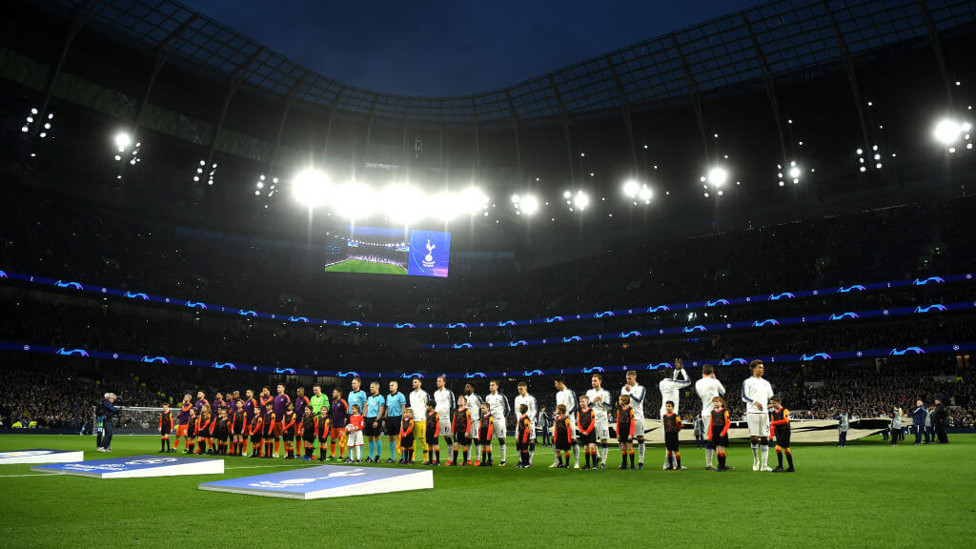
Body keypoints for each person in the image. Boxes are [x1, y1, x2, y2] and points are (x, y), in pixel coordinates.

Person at [659, 359, 692, 469]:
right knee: (672, 439)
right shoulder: (673, 384)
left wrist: (676, 371)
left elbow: (672, 380)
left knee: (668, 439)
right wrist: (681, 369)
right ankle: (669, 464)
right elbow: (688, 381)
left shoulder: (662, 383)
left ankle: (669, 463)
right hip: (671, 413)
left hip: (664, 412)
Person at [742, 360, 774, 472]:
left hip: (764, 413)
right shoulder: (748, 382)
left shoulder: (766, 383)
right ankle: (756, 460)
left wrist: (774, 404)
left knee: (765, 438)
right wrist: (755, 402)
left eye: (763, 367)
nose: (762, 369)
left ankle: (764, 465)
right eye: (760, 367)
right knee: (754, 438)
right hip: (752, 413)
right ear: (753, 369)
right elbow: (744, 397)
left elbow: (772, 397)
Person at [695, 364, 725, 469]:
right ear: (712, 372)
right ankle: (710, 464)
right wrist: (715, 379)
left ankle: (719, 463)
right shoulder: (715, 381)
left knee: (712, 437)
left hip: (705, 412)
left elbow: (701, 395)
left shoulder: (698, 383)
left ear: (703, 372)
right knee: (715, 438)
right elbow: (723, 392)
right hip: (715, 413)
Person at [620, 371, 646, 469]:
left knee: (640, 439)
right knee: (624, 441)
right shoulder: (623, 389)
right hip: (626, 419)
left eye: (629, 378)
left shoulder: (641, 388)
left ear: (635, 378)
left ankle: (640, 462)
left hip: (638, 417)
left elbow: (638, 400)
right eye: (627, 378)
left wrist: (630, 392)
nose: (628, 380)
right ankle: (625, 462)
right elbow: (622, 403)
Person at [585, 374, 611, 469]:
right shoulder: (589, 392)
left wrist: (602, 402)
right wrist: (593, 401)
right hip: (592, 420)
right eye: (592, 381)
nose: (593, 382)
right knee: (591, 440)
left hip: (602, 420)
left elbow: (609, 407)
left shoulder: (605, 393)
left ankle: (603, 462)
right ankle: (598, 456)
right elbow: (586, 406)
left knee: (604, 440)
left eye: (595, 380)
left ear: (600, 381)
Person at [553, 377, 579, 468]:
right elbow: (558, 407)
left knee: (573, 440)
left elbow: (575, 405)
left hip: (569, 420)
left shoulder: (570, 392)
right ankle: (557, 461)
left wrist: (567, 414)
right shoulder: (558, 394)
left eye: (556, 383)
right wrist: (556, 415)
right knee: (555, 440)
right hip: (559, 421)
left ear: (560, 383)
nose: (555, 385)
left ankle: (576, 462)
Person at [485, 380, 511, 466]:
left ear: (497, 386)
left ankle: (503, 460)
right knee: (488, 440)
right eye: (490, 385)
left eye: (493, 385)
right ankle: (490, 459)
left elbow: (507, 409)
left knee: (501, 440)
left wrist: (503, 417)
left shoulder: (501, 396)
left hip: (499, 420)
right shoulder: (487, 397)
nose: (491, 387)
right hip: (490, 421)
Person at [514, 382, 538, 464]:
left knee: (531, 441)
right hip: (520, 423)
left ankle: (529, 460)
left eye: (521, 389)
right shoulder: (517, 399)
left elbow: (534, 410)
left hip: (529, 423)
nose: (519, 391)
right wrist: (518, 420)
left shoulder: (531, 398)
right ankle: (521, 460)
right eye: (518, 389)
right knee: (518, 441)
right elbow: (517, 411)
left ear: (526, 388)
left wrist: (530, 420)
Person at [433, 376, 455, 462]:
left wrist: (452, 419)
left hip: (446, 418)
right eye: (437, 381)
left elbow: (453, 406)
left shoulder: (449, 392)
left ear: (444, 382)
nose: (438, 382)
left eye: (439, 381)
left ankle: (450, 458)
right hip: (437, 418)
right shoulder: (435, 393)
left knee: (447, 438)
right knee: (435, 437)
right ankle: (435, 459)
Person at [769, 395, 794, 472]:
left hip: (785, 431)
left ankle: (780, 467)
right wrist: (771, 436)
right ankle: (791, 467)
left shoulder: (785, 410)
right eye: (772, 404)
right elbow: (772, 425)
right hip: (778, 431)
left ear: (779, 402)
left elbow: (786, 420)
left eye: (774, 403)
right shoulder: (773, 413)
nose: (773, 405)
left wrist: (775, 422)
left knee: (778, 448)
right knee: (786, 449)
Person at [409, 378, 430, 465]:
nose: (413, 383)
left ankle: (426, 459)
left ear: (420, 384)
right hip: (413, 420)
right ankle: (412, 458)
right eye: (413, 382)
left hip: (421, 419)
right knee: (412, 440)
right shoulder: (411, 394)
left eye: (415, 382)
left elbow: (429, 406)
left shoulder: (424, 394)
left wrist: (427, 417)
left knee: (423, 439)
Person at [364, 382, 386, 463]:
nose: (370, 388)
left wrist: (377, 420)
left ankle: (378, 456)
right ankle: (370, 456)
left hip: (376, 418)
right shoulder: (369, 398)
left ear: (377, 388)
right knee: (369, 438)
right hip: (369, 419)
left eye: (372, 387)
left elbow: (381, 410)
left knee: (377, 437)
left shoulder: (381, 398)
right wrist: (364, 418)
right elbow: (366, 409)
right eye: (370, 387)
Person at [708, 396, 731, 472]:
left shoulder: (725, 411)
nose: (715, 403)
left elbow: (728, 424)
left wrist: (722, 433)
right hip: (715, 432)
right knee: (717, 449)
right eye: (714, 402)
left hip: (722, 431)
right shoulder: (712, 412)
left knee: (721, 448)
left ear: (721, 403)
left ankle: (722, 466)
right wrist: (710, 435)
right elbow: (711, 424)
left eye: (717, 401)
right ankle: (720, 465)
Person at [385, 381, 406, 463]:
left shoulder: (400, 395)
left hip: (398, 418)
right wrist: (385, 418)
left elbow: (403, 407)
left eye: (392, 385)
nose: (390, 386)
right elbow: (387, 407)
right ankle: (392, 457)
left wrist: (403, 418)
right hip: (390, 418)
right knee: (391, 437)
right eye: (390, 385)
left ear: (396, 386)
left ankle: (403, 457)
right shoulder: (388, 396)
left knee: (399, 437)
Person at [347, 379, 367, 460]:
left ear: (359, 384)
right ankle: (350, 457)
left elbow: (365, 405)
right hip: (351, 416)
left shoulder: (362, 393)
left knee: (359, 439)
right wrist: (346, 415)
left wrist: (364, 416)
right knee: (350, 438)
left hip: (359, 417)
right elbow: (348, 405)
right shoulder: (350, 393)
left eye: (354, 383)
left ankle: (359, 457)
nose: (352, 384)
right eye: (352, 383)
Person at [463, 384, 484, 463]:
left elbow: (483, 407)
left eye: (467, 387)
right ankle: (468, 459)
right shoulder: (465, 398)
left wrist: (481, 418)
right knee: (468, 440)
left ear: (472, 388)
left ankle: (478, 459)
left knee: (476, 440)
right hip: (467, 423)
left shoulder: (476, 397)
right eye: (465, 387)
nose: (466, 388)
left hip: (475, 421)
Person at [576, 395, 597, 470]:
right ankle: (587, 465)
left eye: (582, 401)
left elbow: (593, 422)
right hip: (583, 431)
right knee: (586, 448)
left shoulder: (591, 411)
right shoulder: (579, 411)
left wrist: (587, 431)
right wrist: (582, 431)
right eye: (580, 402)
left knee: (592, 446)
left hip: (590, 431)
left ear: (587, 402)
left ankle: (594, 465)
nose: (581, 403)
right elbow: (578, 422)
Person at [450, 395, 472, 466]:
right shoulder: (455, 412)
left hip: (463, 431)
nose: (459, 401)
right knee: (455, 444)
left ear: (465, 403)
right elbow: (453, 422)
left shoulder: (467, 411)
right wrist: (452, 431)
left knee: (463, 446)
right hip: (456, 431)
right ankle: (454, 461)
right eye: (459, 400)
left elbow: (469, 422)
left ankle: (465, 461)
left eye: (461, 400)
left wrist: (467, 431)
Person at [615, 395, 635, 470]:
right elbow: (617, 422)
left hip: (628, 429)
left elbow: (632, 422)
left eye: (620, 400)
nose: (619, 401)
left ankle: (632, 465)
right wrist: (617, 433)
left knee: (630, 447)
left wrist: (631, 433)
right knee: (623, 447)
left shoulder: (630, 410)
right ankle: (624, 464)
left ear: (625, 400)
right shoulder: (619, 410)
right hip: (621, 430)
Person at [662, 401, 683, 471]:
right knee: (669, 450)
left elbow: (680, 424)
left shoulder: (675, 416)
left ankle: (679, 466)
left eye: (669, 406)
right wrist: (665, 435)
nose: (668, 408)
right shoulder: (664, 416)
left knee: (676, 450)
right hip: (667, 435)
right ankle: (670, 466)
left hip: (674, 435)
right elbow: (665, 426)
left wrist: (676, 431)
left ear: (673, 407)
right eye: (666, 406)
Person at [271, 384, 291, 458]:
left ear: (283, 389)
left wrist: (285, 418)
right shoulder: (276, 398)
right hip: (276, 419)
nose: (278, 388)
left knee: (284, 437)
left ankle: (286, 452)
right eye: (277, 387)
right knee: (276, 436)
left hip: (283, 420)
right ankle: (276, 452)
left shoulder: (286, 397)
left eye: (279, 387)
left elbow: (289, 407)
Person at [330, 388, 349, 460]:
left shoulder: (343, 402)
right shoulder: (333, 402)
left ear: (339, 394)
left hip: (341, 425)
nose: (333, 394)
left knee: (341, 441)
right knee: (332, 439)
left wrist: (346, 418)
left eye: (334, 392)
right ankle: (332, 455)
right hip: (334, 425)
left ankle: (341, 456)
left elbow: (347, 410)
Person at [553, 404, 574, 468]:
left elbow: (569, 429)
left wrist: (569, 438)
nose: (556, 410)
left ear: (561, 411)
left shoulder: (566, 419)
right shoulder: (556, 418)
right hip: (559, 436)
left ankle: (567, 464)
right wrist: (555, 437)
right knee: (557, 450)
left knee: (566, 450)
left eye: (557, 409)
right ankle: (561, 463)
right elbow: (556, 429)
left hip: (565, 436)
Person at [516, 404, 533, 468]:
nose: (519, 409)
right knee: (521, 449)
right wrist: (518, 436)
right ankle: (523, 462)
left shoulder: (526, 418)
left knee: (525, 449)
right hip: (521, 436)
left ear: (522, 409)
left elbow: (527, 429)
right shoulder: (521, 417)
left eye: (520, 408)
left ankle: (527, 463)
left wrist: (525, 438)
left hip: (524, 436)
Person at [293, 387, 310, 453]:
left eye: (299, 391)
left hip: (303, 421)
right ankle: (298, 453)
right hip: (297, 420)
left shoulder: (305, 399)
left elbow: (309, 409)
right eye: (297, 391)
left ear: (303, 392)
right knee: (297, 437)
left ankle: (306, 453)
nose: (297, 393)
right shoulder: (297, 400)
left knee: (304, 438)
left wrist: (307, 419)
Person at [424, 400, 440, 465]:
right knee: (429, 445)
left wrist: (436, 433)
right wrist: (425, 433)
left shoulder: (436, 414)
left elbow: (438, 425)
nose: (427, 407)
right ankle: (430, 460)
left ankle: (437, 461)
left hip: (434, 432)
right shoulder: (427, 414)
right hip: (428, 432)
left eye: (428, 405)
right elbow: (426, 424)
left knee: (435, 445)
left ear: (431, 406)